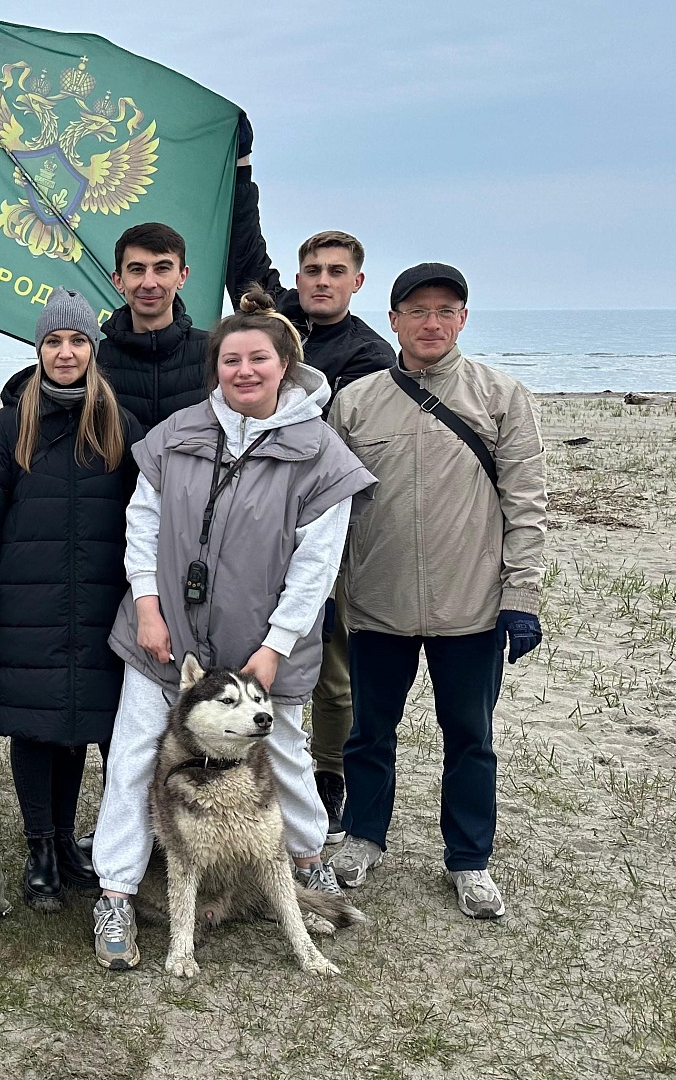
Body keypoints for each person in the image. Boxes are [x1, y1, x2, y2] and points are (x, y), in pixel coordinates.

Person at [86, 287, 377, 971]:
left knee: (285, 757)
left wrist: (273, 649)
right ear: (215, 366)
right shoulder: (177, 436)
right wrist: (149, 607)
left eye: (259, 359)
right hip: (163, 639)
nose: (244, 371)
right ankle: (117, 894)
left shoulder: (320, 453)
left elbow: (316, 565)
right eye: (231, 360)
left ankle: (306, 864)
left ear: (286, 365)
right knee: (134, 760)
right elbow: (142, 526)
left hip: (261, 647)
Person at [325, 263, 547, 919]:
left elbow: (527, 507)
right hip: (376, 602)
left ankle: (470, 859)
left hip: (471, 606)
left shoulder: (502, 396)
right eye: (417, 310)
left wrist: (522, 597)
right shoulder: (356, 401)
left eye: (445, 310)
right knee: (369, 733)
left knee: (470, 736)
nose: (431, 322)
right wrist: (328, 591)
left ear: (463, 319)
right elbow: (329, 507)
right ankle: (364, 836)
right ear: (392, 319)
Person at [0, 289, 144, 912]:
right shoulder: (9, 425)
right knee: (36, 730)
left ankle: (69, 842)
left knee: (82, 727)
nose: (65, 353)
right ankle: (40, 847)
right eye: (53, 342)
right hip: (26, 607)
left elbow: (148, 520)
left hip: (99, 607)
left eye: (77, 341)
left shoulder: (119, 425)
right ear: (38, 349)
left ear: (93, 349)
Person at [230, 226, 398, 845]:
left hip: (327, 525)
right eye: (312, 271)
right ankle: (248, 761)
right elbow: (245, 257)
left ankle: (329, 776)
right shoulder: (276, 324)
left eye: (335, 272)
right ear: (297, 279)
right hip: (252, 527)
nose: (322, 281)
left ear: (357, 282)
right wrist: (240, 171)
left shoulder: (369, 356)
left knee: (329, 670)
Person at [96, 117, 272, 434]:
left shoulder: (217, 356)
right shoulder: (94, 359)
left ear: (182, 276)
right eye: (136, 269)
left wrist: (241, 166)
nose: (149, 282)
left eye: (162, 268)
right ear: (118, 280)